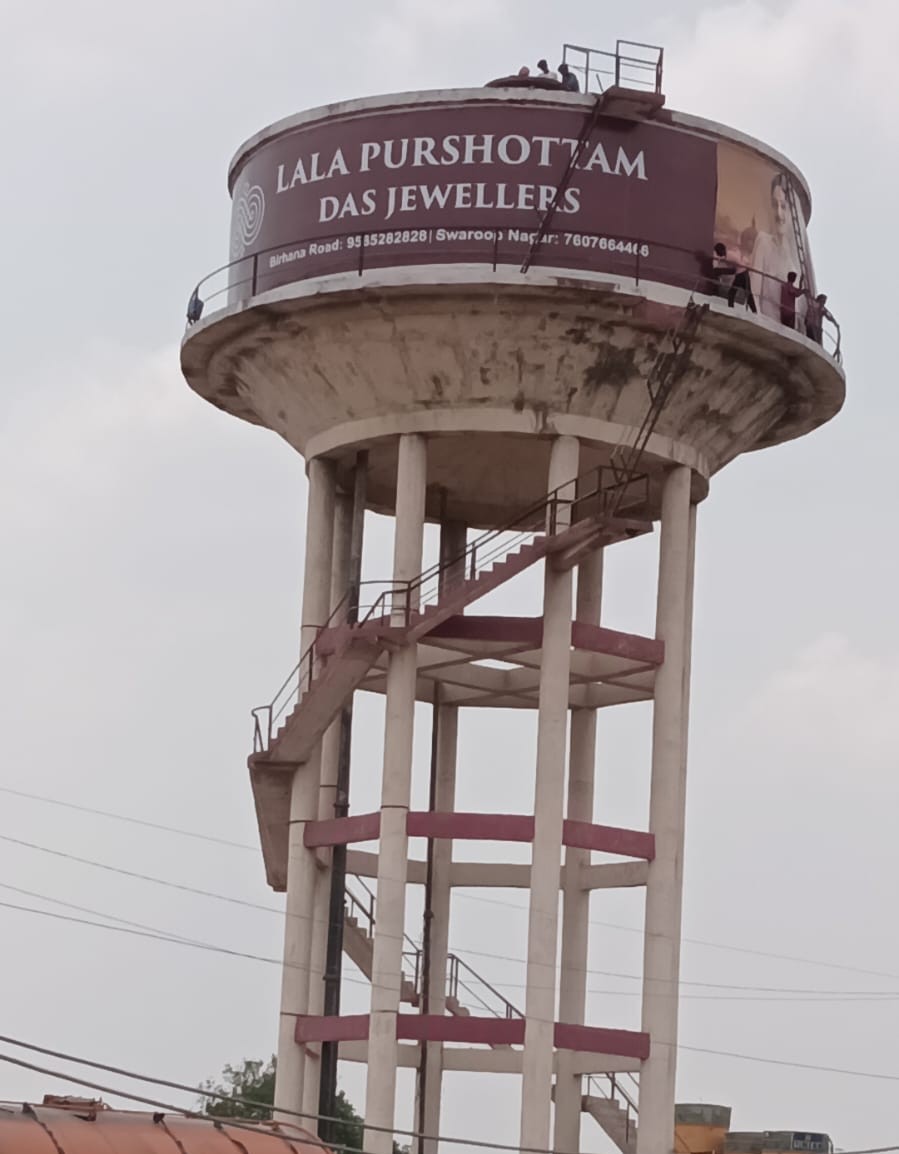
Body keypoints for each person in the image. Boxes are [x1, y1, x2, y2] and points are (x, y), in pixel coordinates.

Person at [750, 172, 804, 323]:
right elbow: (753, 296)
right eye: (775, 205)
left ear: (793, 212)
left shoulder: (796, 266)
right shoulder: (763, 242)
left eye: (784, 206)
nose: (779, 214)